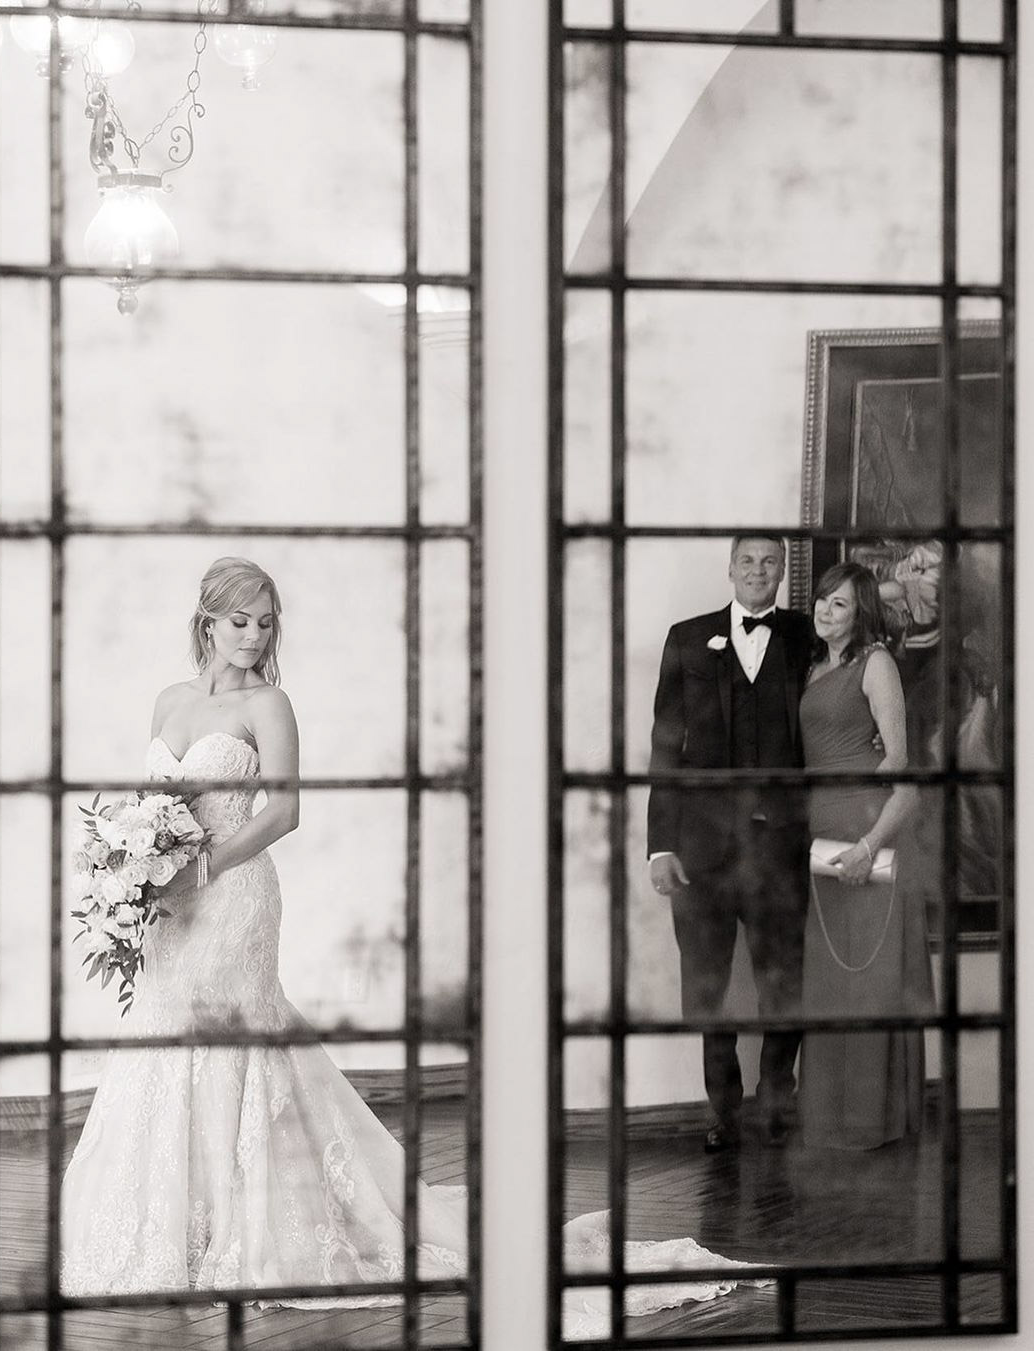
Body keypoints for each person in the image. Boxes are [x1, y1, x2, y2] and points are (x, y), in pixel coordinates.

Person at [61, 556, 765, 1329]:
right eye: (239, 621)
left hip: (231, 895)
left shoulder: (272, 702)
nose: (254, 636)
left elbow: (285, 811)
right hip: (169, 904)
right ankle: (168, 1229)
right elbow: (150, 804)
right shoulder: (168, 699)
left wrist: (201, 866)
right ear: (206, 619)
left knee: (233, 1044)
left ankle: (241, 1229)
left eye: (265, 622)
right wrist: (132, 867)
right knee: (162, 1035)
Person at [647, 536, 814, 1152]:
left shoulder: (804, 635)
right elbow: (665, 745)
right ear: (730, 570)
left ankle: (775, 1105)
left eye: (770, 562)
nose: (758, 571)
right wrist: (660, 844)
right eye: (747, 561)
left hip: (781, 846)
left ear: (782, 573)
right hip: (700, 850)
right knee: (706, 986)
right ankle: (723, 1111)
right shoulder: (687, 637)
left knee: (784, 982)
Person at [798, 562, 933, 1150]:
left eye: (841, 606)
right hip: (820, 835)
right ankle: (829, 1120)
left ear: (863, 615)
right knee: (831, 982)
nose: (827, 613)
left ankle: (872, 1123)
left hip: (863, 833)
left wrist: (869, 844)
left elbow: (901, 766)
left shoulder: (875, 663)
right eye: (823, 602)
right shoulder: (812, 668)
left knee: (870, 980)